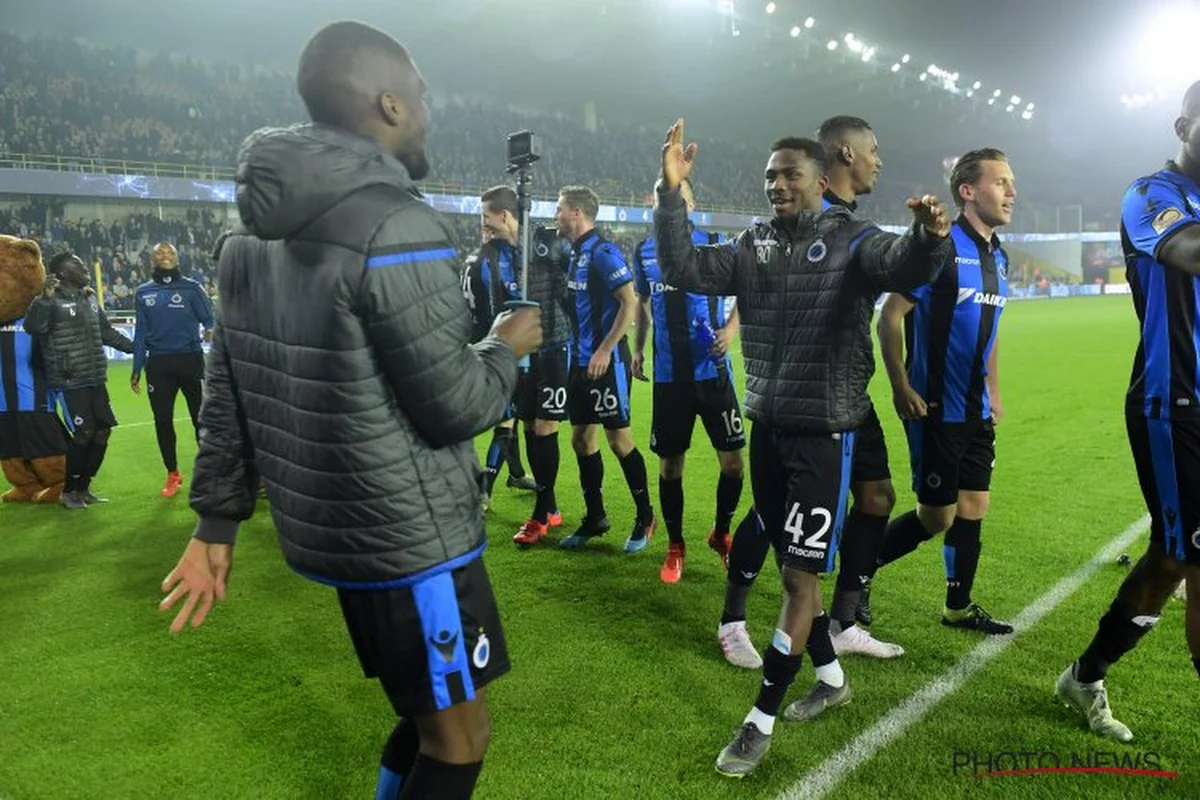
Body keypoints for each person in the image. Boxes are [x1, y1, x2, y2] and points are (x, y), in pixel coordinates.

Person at [157, 21, 543, 800]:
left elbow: (224, 393)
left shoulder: (246, 239)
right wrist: (508, 345)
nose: (431, 114)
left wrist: (216, 523)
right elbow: (456, 407)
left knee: (424, 714)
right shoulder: (395, 225)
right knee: (461, 740)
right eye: (424, 99)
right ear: (389, 104)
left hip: (339, 535)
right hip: (410, 540)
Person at [655, 118, 950, 778]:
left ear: (821, 180)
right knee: (796, 566)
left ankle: (758, 721)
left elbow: (901, 264)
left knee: (797, 578)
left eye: (790, 174)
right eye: (769, 176)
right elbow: (681, 267)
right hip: (768, 425)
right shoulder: (753, 244)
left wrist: (930, 239)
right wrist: (670, 193)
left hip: (825, 433)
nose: (777, 185)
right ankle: (832, 678)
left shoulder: (853, 239)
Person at [717, 116, 903, 663]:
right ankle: (733, 618)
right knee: (772, 516)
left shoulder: (849, 228)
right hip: (800, 400)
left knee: (877, 496)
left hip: (845, 390)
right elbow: (760, 283)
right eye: (873, 150)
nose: (879, 161)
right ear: (845, 156)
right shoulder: (793, 225)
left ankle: (844, 620)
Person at [1056, 80, 1200, 741]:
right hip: (1175, 406)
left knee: (1173, 561)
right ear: (1183, 125)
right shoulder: (1153, 194)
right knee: (1187, 561)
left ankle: (1085, 674)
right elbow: (1185, 251)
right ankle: (1086, 675)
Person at [873, 148, 1016, 636]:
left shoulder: (1000, 255)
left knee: (974, 507)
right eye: (1000, 182)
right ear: (968, 191)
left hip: (976, 409)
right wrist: (900, 384)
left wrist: (994, 392)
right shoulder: (941, 248)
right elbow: (890, 314)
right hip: (935, 406)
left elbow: (990, 330)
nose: (1011, 191)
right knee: (937, 516)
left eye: (1011, 182)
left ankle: (958, 606)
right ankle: (858, 575)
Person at [632, 176, 744, 583]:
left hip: (713, 373)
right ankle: (676, 545)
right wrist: (639, 347)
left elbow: (746, 291)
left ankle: (722, 533)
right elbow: (643, 304)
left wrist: (730, 331)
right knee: (670, 468)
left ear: (691, 205)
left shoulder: (715, 241)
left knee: (733, 464)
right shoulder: (643, 250)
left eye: (683, 197)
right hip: (669, 378)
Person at [555, 185, 655, 551]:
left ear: (577, 213)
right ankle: (595, 518)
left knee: (618, 440)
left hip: (607, 362)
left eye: (560, 209)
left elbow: (629, 304)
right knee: (581, 439)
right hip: (580, 363)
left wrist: (604, 350)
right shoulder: (574, 253)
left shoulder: (603, 252)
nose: (556, 216)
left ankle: (645, 517)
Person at [24, 251, 133, 509]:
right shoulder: (49, 300)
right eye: (78, 264)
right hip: (69, 379)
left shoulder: (89, 297)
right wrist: (44, 299)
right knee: (84, 433)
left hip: (95, 376)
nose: (84, 267)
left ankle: (83, 487)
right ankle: (68, 490)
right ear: (61, 273)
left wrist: (137, 348)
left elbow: (106, 332)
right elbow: (33, 327)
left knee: (103, 431)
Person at [460, 187, 538, 510]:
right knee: (505, 420)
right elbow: (496, 314)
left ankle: (516, 473)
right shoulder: (495, 261)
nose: (483, 223)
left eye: (484, 217)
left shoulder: (481, 255)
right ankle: (483, 491)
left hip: (475, 343)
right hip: (498, 349)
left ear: (504, 216)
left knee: (514, 416)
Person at [130, 242, 214, 498]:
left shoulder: (192, 287)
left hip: (190, 360)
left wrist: (210, 330)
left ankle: (209, 474)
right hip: (159, 364)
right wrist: (136, 368)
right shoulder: (143, 292)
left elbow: (208, 318)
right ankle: (172, 473)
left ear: (178, 258)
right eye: (159, 253)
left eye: (170, 252)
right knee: (163, 420)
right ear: (152, 260)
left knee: (200, 419)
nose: (165, 255)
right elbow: (141, 333)